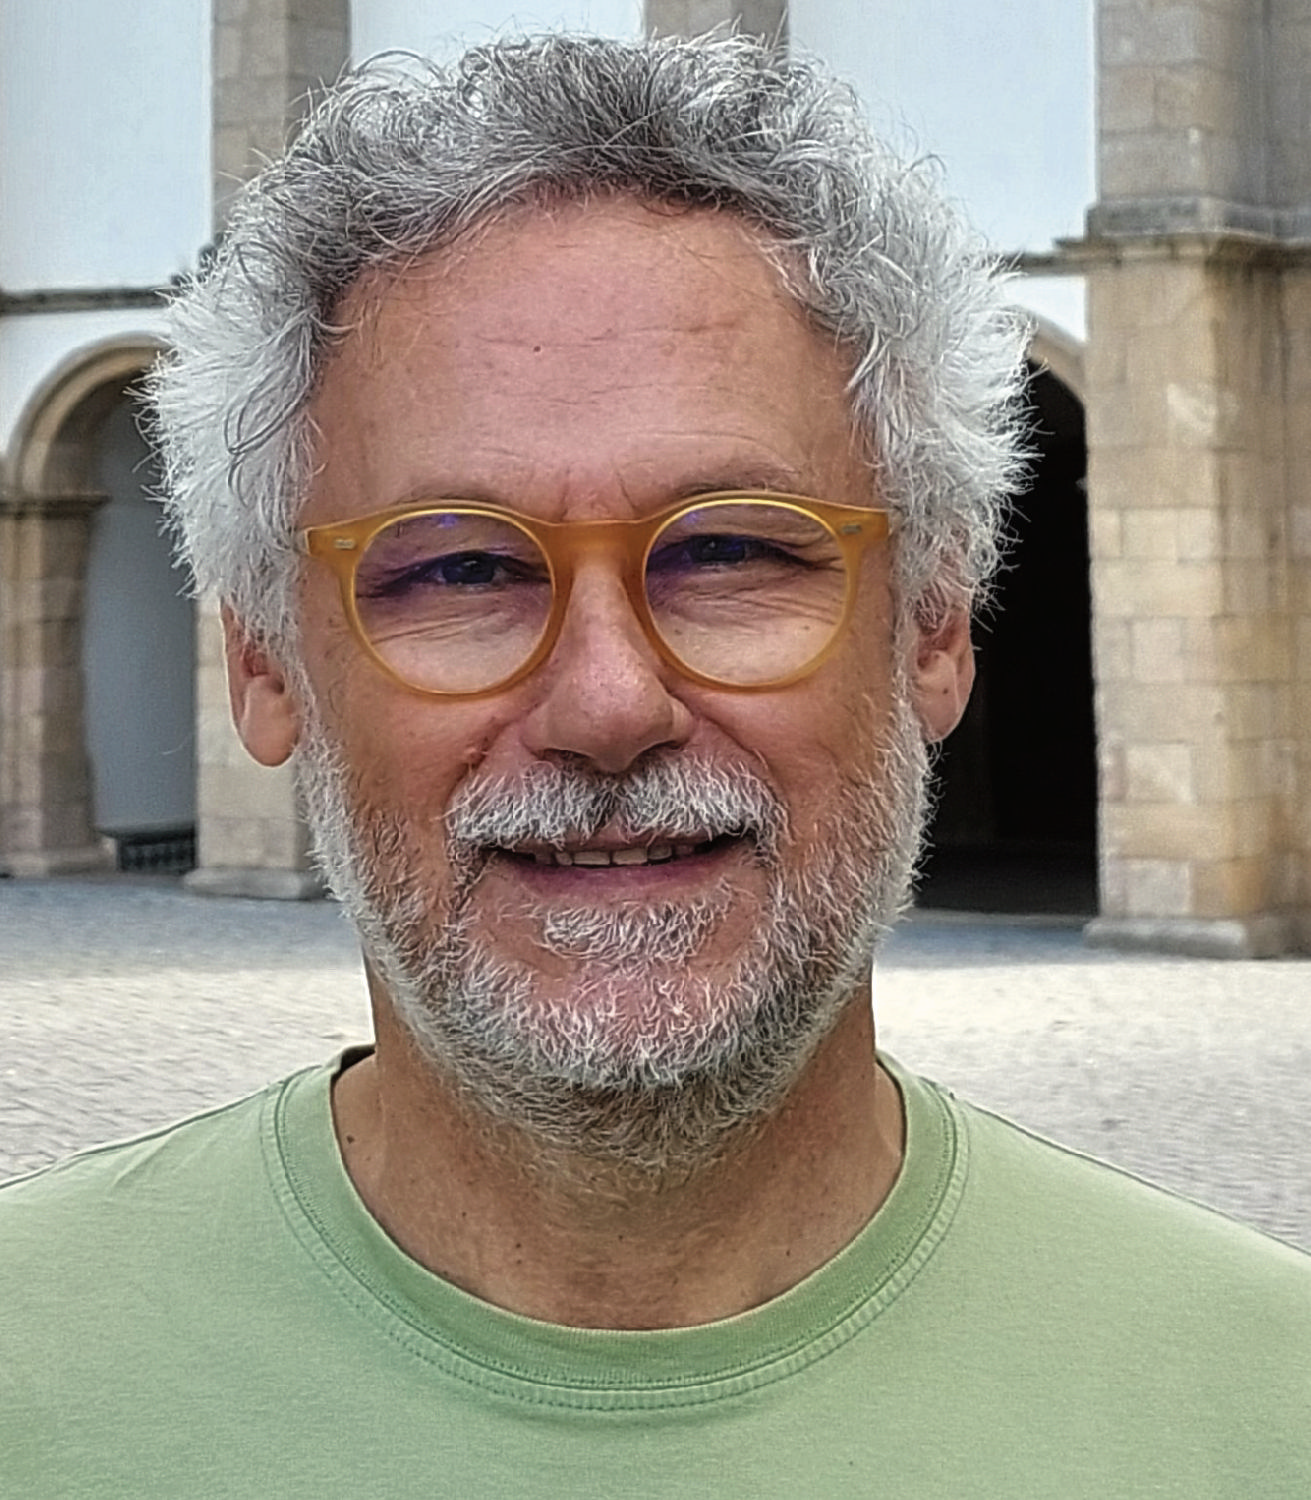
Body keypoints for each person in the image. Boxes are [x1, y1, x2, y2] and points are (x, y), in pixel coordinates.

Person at [2, 32, 1308, 1498]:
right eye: (460, 569)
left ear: (934, 624)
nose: (608, 703)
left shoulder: (1265, 1407)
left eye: (733, 551)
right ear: (263, 664)